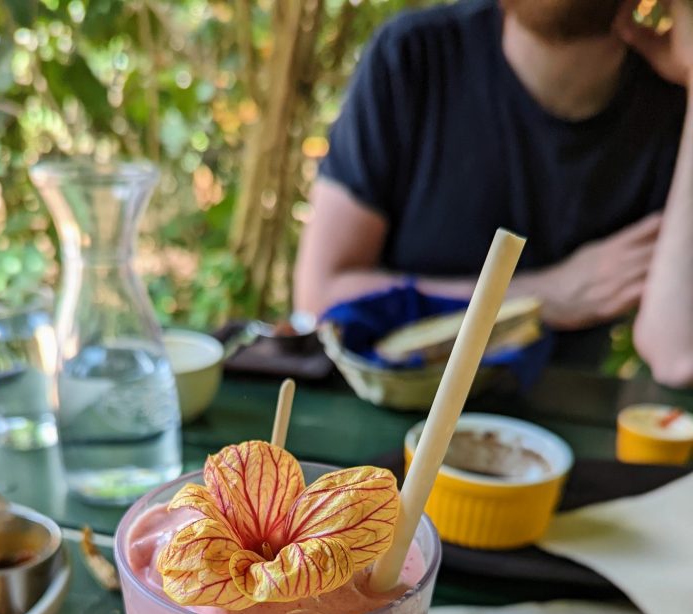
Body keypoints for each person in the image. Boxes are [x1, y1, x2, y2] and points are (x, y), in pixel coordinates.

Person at [294, 0, 693, 387]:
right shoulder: (415, 56)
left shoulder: (673, 107)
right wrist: (543, 297)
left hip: (557, 428)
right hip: (389, 409)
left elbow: (676, 356)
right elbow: (320, 299)